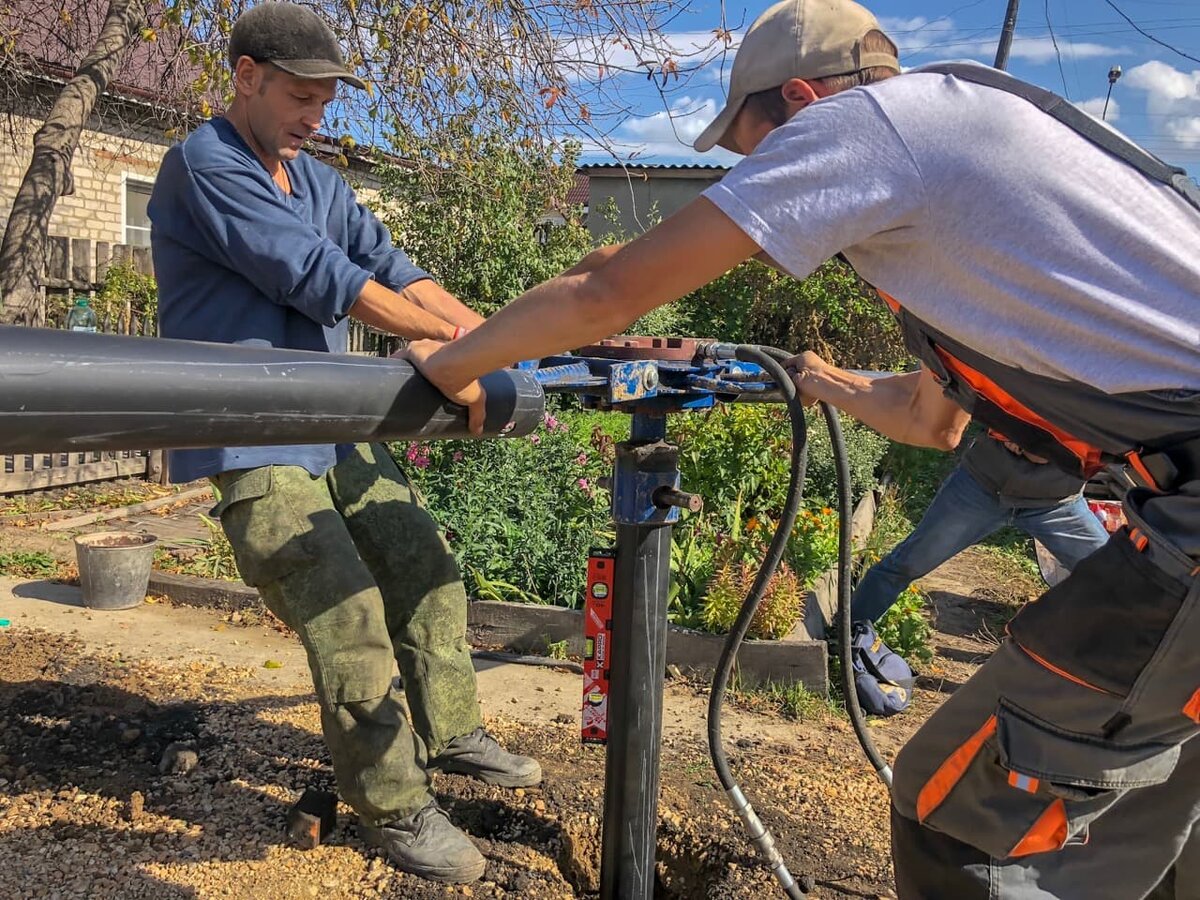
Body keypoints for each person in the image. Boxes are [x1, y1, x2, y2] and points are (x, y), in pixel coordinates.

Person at [403, 0, 1200, 896]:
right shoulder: (974, 180)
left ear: (802, 99)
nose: (765, 185)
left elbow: (606, 288)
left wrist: (453, 363)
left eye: (759, 155)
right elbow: (928, 420)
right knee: (1146, 824)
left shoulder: (875, 125)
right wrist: (822, 382)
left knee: (957, 817)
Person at [147, 2, 540, 885]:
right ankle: (394, 806)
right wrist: (460, 361)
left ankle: (452, 730)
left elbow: (399, 270)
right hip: (252, 439)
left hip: (335, 424)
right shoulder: (205, 165)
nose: (315, 116)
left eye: (325, 101)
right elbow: (327, 278)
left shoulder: (318, 180)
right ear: (245, 76)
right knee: (347, 616)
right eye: (299, 95)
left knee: (421, 561)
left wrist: (507, 344)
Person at [852, 431, 1110, 624]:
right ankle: (846, 637)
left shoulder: (1115, 375)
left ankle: (1121, 682)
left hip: (1057, 502)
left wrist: (1053, 448)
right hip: (982, 485)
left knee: (1117, 580)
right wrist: (1016, 434)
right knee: (906, 564)